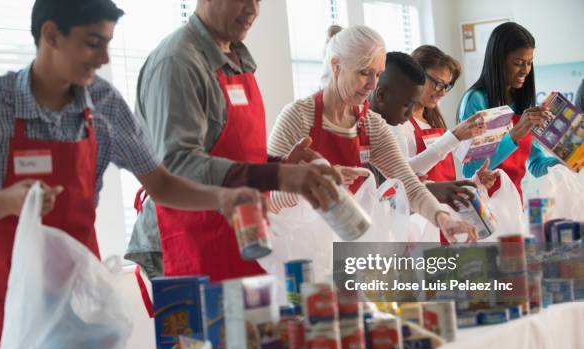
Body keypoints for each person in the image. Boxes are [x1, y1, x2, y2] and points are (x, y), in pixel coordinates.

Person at [0, 0, 264, 349]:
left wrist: (221, 197)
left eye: (109, 43)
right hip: (14, 309)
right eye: (93, 43)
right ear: (50, 35)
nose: (103, 57)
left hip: (83, 306)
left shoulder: (105, 105)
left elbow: (160, 183)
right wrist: (6, 202)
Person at [126, 0, 341, 282]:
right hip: (189, 239)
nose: (253, 9)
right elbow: (175, 166)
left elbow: (228, 150)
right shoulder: (178, 63)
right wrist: (278, 175)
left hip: (241, 235)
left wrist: (280, 163)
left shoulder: (236, 60)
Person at [267, 26, 476, 242]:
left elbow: (408, 183)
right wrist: (313, 182)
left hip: (350, 243)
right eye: (364, 73)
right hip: (301, 247)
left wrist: (443, 219)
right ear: (336, 66)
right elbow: (266, 197)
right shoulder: (298, 117)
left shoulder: (371, 124)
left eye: (377, 74)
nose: (372, 84)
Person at [369, 50, 493, 211]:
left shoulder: (433, 122)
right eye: (438, 83)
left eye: (446, 86)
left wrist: (472, 182)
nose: (442, 92)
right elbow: (400, 175)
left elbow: (443, 178)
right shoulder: (395, 122)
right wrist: (453, 137)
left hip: (441, 216)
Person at [458, 22, 560, 199]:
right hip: (484, 208)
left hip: (514, 206)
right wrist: (515, 134)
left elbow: (536, 164)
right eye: (519, 63)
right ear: (499, 60)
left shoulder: (522, 102)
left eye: (529, 63)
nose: (525, 71)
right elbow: (470, 170)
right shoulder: (476, 101)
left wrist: (567, 161)